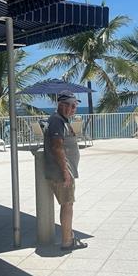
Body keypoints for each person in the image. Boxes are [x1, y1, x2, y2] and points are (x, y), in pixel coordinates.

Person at [43, 91, 87, 251]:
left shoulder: (62, 120)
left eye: (74, 105)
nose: (72, 108)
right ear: (60, 104)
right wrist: (65, 172)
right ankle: (67, 241)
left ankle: (69, 237)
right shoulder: (57, 121)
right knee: (67, 205)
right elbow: (57, 147)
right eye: (69, 105)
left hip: (64, 171)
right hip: (61, 172)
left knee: (67, 204)